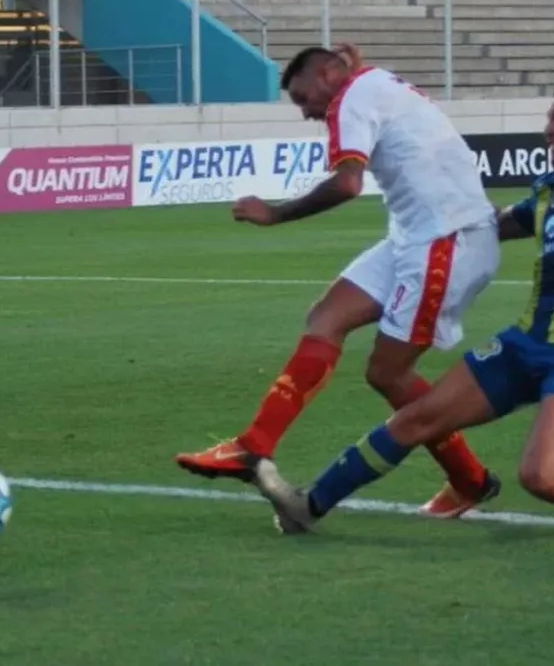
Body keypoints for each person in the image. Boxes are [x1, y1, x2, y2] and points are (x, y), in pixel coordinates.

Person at [252, 0, 554, 536]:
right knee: (416, 418)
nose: (548, 129)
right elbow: (486, 227)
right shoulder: (548, 192)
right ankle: (307, 505)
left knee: (543, 476)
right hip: (524, 344)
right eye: (548, 119)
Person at [175, 44, 505, 518]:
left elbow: (348, 184)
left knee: (386, 374)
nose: (307, 111)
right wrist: (359, 65)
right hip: (417, 236)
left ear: (330, 74)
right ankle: (253, 446)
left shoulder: (350, 96)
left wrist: (275, 213)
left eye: (305, 97)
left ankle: (469, 479)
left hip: (445, 241)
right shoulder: (371, 82)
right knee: (325, 318)